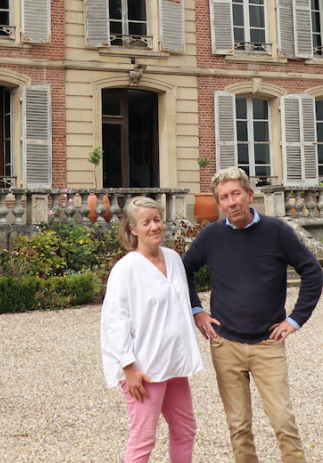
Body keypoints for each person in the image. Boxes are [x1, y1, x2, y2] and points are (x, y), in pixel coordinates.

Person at [183, 167, 323, 463]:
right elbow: (183, 273)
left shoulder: (276, 231)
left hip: (267, 345)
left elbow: (312, 271)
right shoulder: (210, 236)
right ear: (218, 203)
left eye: (236, 194)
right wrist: (197, 311)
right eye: (224, 197)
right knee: (239, 427)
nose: (231, 202)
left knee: (283, 423)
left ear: (249, 195)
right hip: (226, 345)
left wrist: (295, 319)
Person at [100, 195, 204, 463]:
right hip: (144, 369)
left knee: (185, 429)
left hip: (174, 365)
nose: (154, 226)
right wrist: (128, 366)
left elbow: (181, 302)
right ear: (132, 229)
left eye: (157, 219)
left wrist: (198, 313)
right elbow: (115, 319)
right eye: (146, 222)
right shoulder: (125, 269)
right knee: (143, 437)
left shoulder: (173, 259)